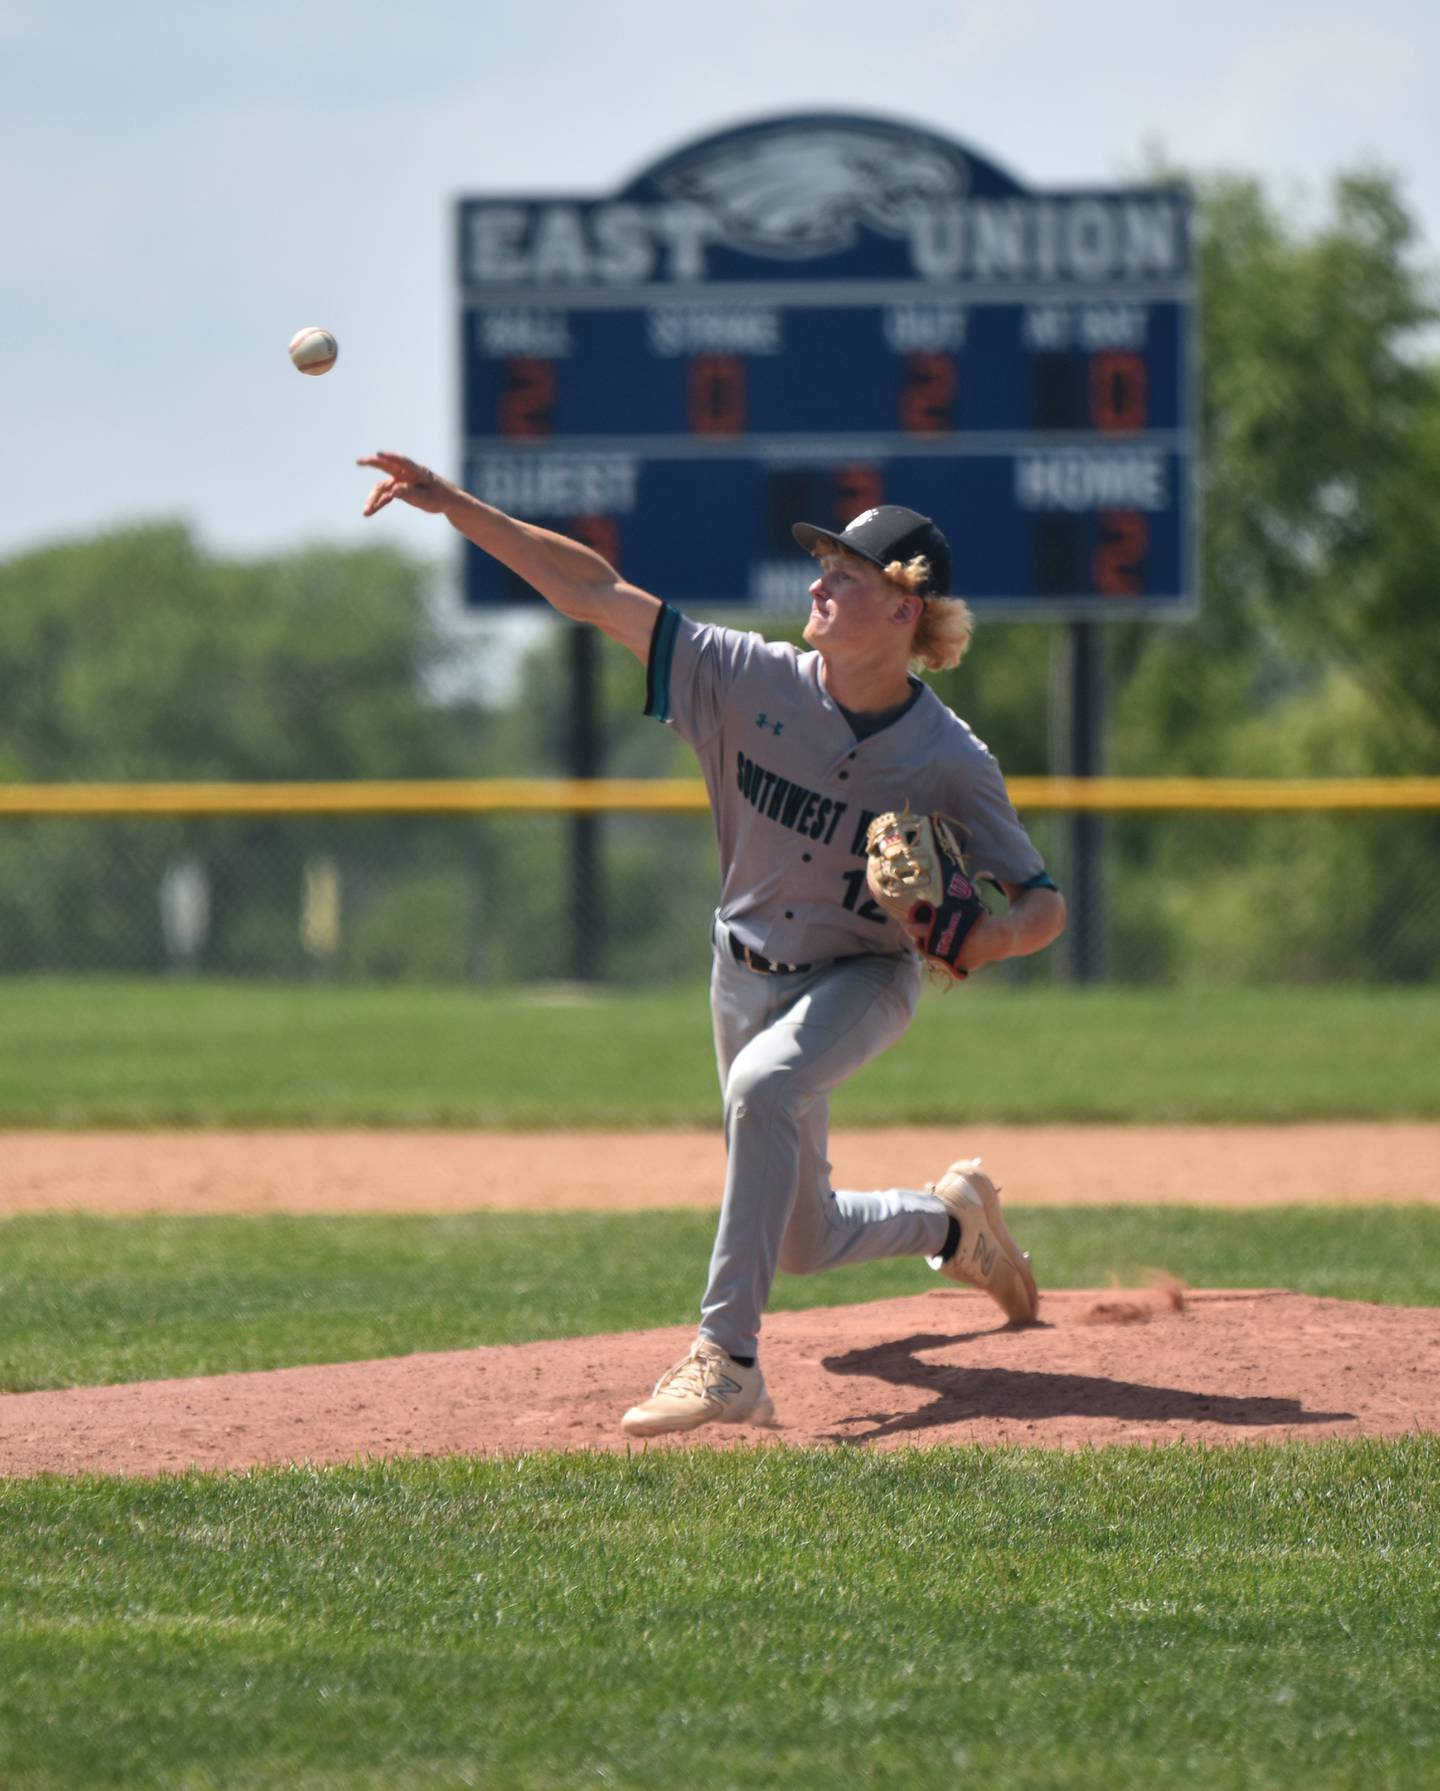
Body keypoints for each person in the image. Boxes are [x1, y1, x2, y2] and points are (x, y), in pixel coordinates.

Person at [358, 453, 1067, 1438]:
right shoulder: (740, 677)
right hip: (739, 973)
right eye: (823, 568)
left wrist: (985, 938)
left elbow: (1042, 905)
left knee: (764, 1091)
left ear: (905, 611)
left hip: (864, 975)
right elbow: (593, 589)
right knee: (807, 1238)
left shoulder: (949, 758)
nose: (818, 583)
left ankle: (727, 1360)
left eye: (847, 576)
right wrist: (455, 507)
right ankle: (954, 1225)